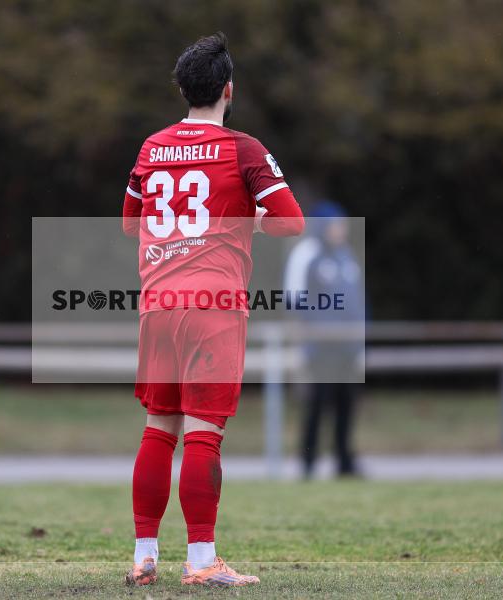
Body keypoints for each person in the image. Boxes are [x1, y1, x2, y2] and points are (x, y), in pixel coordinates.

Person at [120, 32, 304, 587]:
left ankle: (143, 556)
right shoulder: (243, 149)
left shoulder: (152, 148)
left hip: (157, 303)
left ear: (182, 89)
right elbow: (291, 222)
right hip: (213, 303)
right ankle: (201, 562)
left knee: (158, 430)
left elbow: (131, 223)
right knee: (204, 434)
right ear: (230, 89)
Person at [284, 201, 365, 478]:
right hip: (320, 346)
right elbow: (294, 299)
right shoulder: (306, 254)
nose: (340, 231)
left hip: (346, 347)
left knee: (346, 403)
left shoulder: (346, 256)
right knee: (317, 403)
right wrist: (316, 331)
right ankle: (308, 462)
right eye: (335, 225)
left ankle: (344, 461)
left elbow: (356, 300)